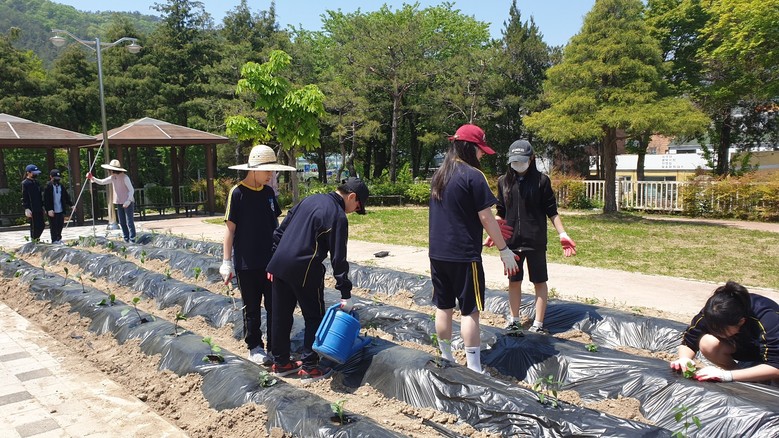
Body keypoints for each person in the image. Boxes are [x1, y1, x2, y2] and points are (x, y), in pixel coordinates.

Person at [428, 123, 520, 373]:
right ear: (469, 148)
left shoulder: (439, 175)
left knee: (444, 307)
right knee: (470, 311)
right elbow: (486, 217)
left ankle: (446, 357)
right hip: (464, 255)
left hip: (438, 253)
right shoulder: (473, 175)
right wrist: (504, 249)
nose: (482, 155)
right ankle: (474, 367)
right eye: (480, 150)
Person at [266, 176, 369, 381]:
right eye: (357, 206)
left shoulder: (309, 200)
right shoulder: (337, 216)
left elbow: (280, 231)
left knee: (280, 315)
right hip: (305, 269)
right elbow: (339, 258)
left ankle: (281, 362)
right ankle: (309, 366)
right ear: (352, 197)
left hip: (279, 265)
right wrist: (345, 293)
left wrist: (274, 259)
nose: (354, 210)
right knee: (314, 317)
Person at [488, 140, 577, 336]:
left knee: (539, 281)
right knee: (514, 281)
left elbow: (552, 211)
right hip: (511, 242)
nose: (518, 164)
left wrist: (562, 233)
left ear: (531, 159)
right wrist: (494, 232)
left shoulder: (541, 181)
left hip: (535, 241)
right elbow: (500, 211)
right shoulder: (504, 182)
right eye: (514, 161)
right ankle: (514, 320)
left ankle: (538, 323)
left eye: (521, 160)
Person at [220, 145, 296, 366]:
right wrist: (226, 262)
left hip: (270, 262)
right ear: (254, 169)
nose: (270, 175)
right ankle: (254, 346)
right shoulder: (237, 193)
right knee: (252, 308)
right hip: (247, 263)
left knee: (274, 306)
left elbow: (276, 226)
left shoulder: (269, 193)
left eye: (272, 171)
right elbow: (230, 230)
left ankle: (275, 347)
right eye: (267, 171)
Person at [670, 281, 779, 384]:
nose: (716, 333)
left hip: (770, 353)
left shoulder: (768, 319)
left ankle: (755, 377)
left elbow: (776, 366)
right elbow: (689, 341)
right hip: (746, 348)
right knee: (707, 343)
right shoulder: (713, 313)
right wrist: (684, 359)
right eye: (713, 329)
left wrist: (727, 376)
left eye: (721, 331)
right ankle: (743, 376)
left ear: (741, 322)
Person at [87, 159, 136, 243]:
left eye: (110, 170)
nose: (109, 171)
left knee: (129, 222)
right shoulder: (113, 177)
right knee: (122, 222)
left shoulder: (125, 177)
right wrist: (92, 178)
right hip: (119, 202)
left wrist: (128, 200)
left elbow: (131, 190)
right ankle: (126, 238)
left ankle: (132, 239)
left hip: (128, 202)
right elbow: (102, 181)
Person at [43, 169, 73, 244]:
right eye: (55, 178)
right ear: (51, 177)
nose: (57, 179)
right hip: (52, 210)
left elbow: (66, 197)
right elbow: (46, 199)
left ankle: (59, 238)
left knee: (60, 225)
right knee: (53, 226)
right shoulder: (48, 186)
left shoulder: (61, 186)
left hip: (60, 209)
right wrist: (48, 209)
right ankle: (54, 240)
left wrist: (71, 205)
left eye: (58, 178)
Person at [21, 164, 45, 242]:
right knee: (34, 226)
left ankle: (37, 239)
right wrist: (26, 208)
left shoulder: (37, 182)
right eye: (34, 173)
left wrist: (43, 206)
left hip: (39, 207)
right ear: (28, 173)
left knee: (42, 225)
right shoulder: (25, 183)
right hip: (32, 208)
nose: (35, 174)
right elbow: (24, 196)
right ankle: (34, 240)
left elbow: (40, 195)